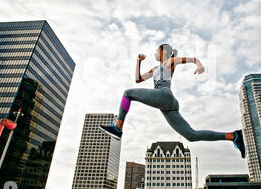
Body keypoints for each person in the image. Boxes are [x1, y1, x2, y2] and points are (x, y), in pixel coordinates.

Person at [99, 44, 246, 158]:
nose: (154, 53)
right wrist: (138, 62)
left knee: (127, 94)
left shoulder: (169, 62)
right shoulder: (155, 68)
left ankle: (118, 128)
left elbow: (191, 59)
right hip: (167, 105)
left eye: (156, 51)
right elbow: (138, 79)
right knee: (191, 135)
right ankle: (233, 136)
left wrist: (199, 65)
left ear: (163, 51)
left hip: (164, 96)